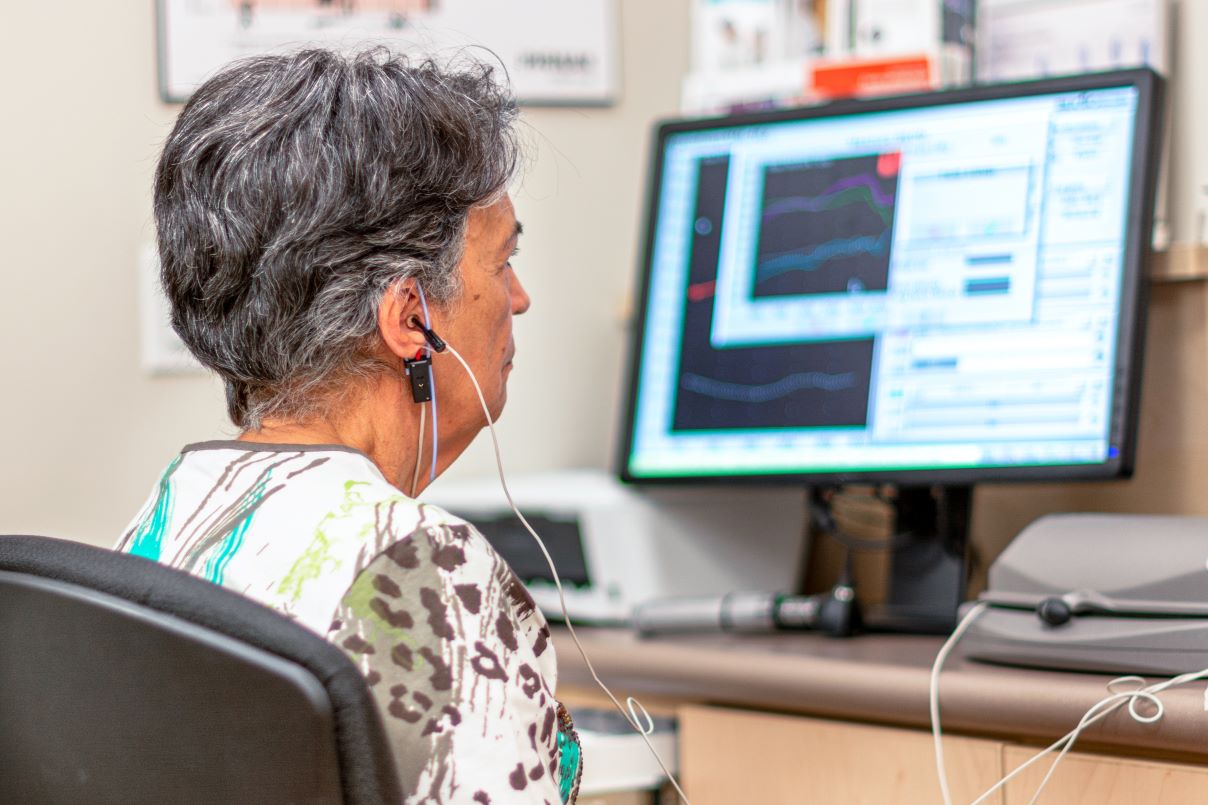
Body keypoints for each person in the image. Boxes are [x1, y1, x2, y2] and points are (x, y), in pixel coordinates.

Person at [116, 48, 581, 804]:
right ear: (409, 318)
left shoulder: (165, 523)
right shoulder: (419, 570)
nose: (519, 297)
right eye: (502, 261)